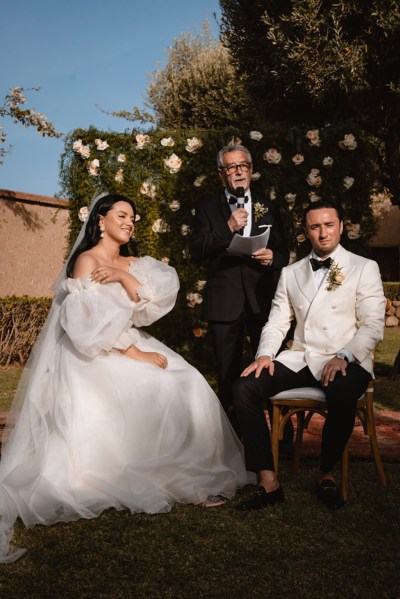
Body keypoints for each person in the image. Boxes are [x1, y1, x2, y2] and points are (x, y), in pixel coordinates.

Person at [0, 192, 248, 563]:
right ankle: (160, 471)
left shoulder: (132, 262)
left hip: (128, 339)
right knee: (155, 384)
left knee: (188, 379)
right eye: (121, 215)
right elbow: (87, 328)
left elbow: (148, 307)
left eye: (133, 217)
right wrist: (137, 353)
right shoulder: (86, 261)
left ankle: (189, 467)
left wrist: (122, 275)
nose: (129, 222)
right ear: (100, 221)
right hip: (95, 352)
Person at [233, 199, 386, 511]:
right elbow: (277, 321)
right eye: (315, 226)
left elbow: (372, 324)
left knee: (341, 390)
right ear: (306, 232)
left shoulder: (364, 267)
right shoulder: (290, 272)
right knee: (245, 387)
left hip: (348, 357)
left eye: (329, 225)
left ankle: (325, 474)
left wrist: (344, 355)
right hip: (303, 357)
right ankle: (268, 480)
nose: (323, 232)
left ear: (341, 227)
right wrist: (265, 354)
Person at [189, 144, 290, 436]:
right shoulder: (208, 208)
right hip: (225, 302)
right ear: (221, 173)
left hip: (262, 299)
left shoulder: (268, 205)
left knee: (271, 369)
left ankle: (280, 439)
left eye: (243, 165)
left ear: (252, 170)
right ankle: (236, 442)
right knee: (229, 374)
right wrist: (227, 227)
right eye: (231, 167)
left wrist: (273, 259)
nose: (238, 172)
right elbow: (196, 250)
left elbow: (284, 252)